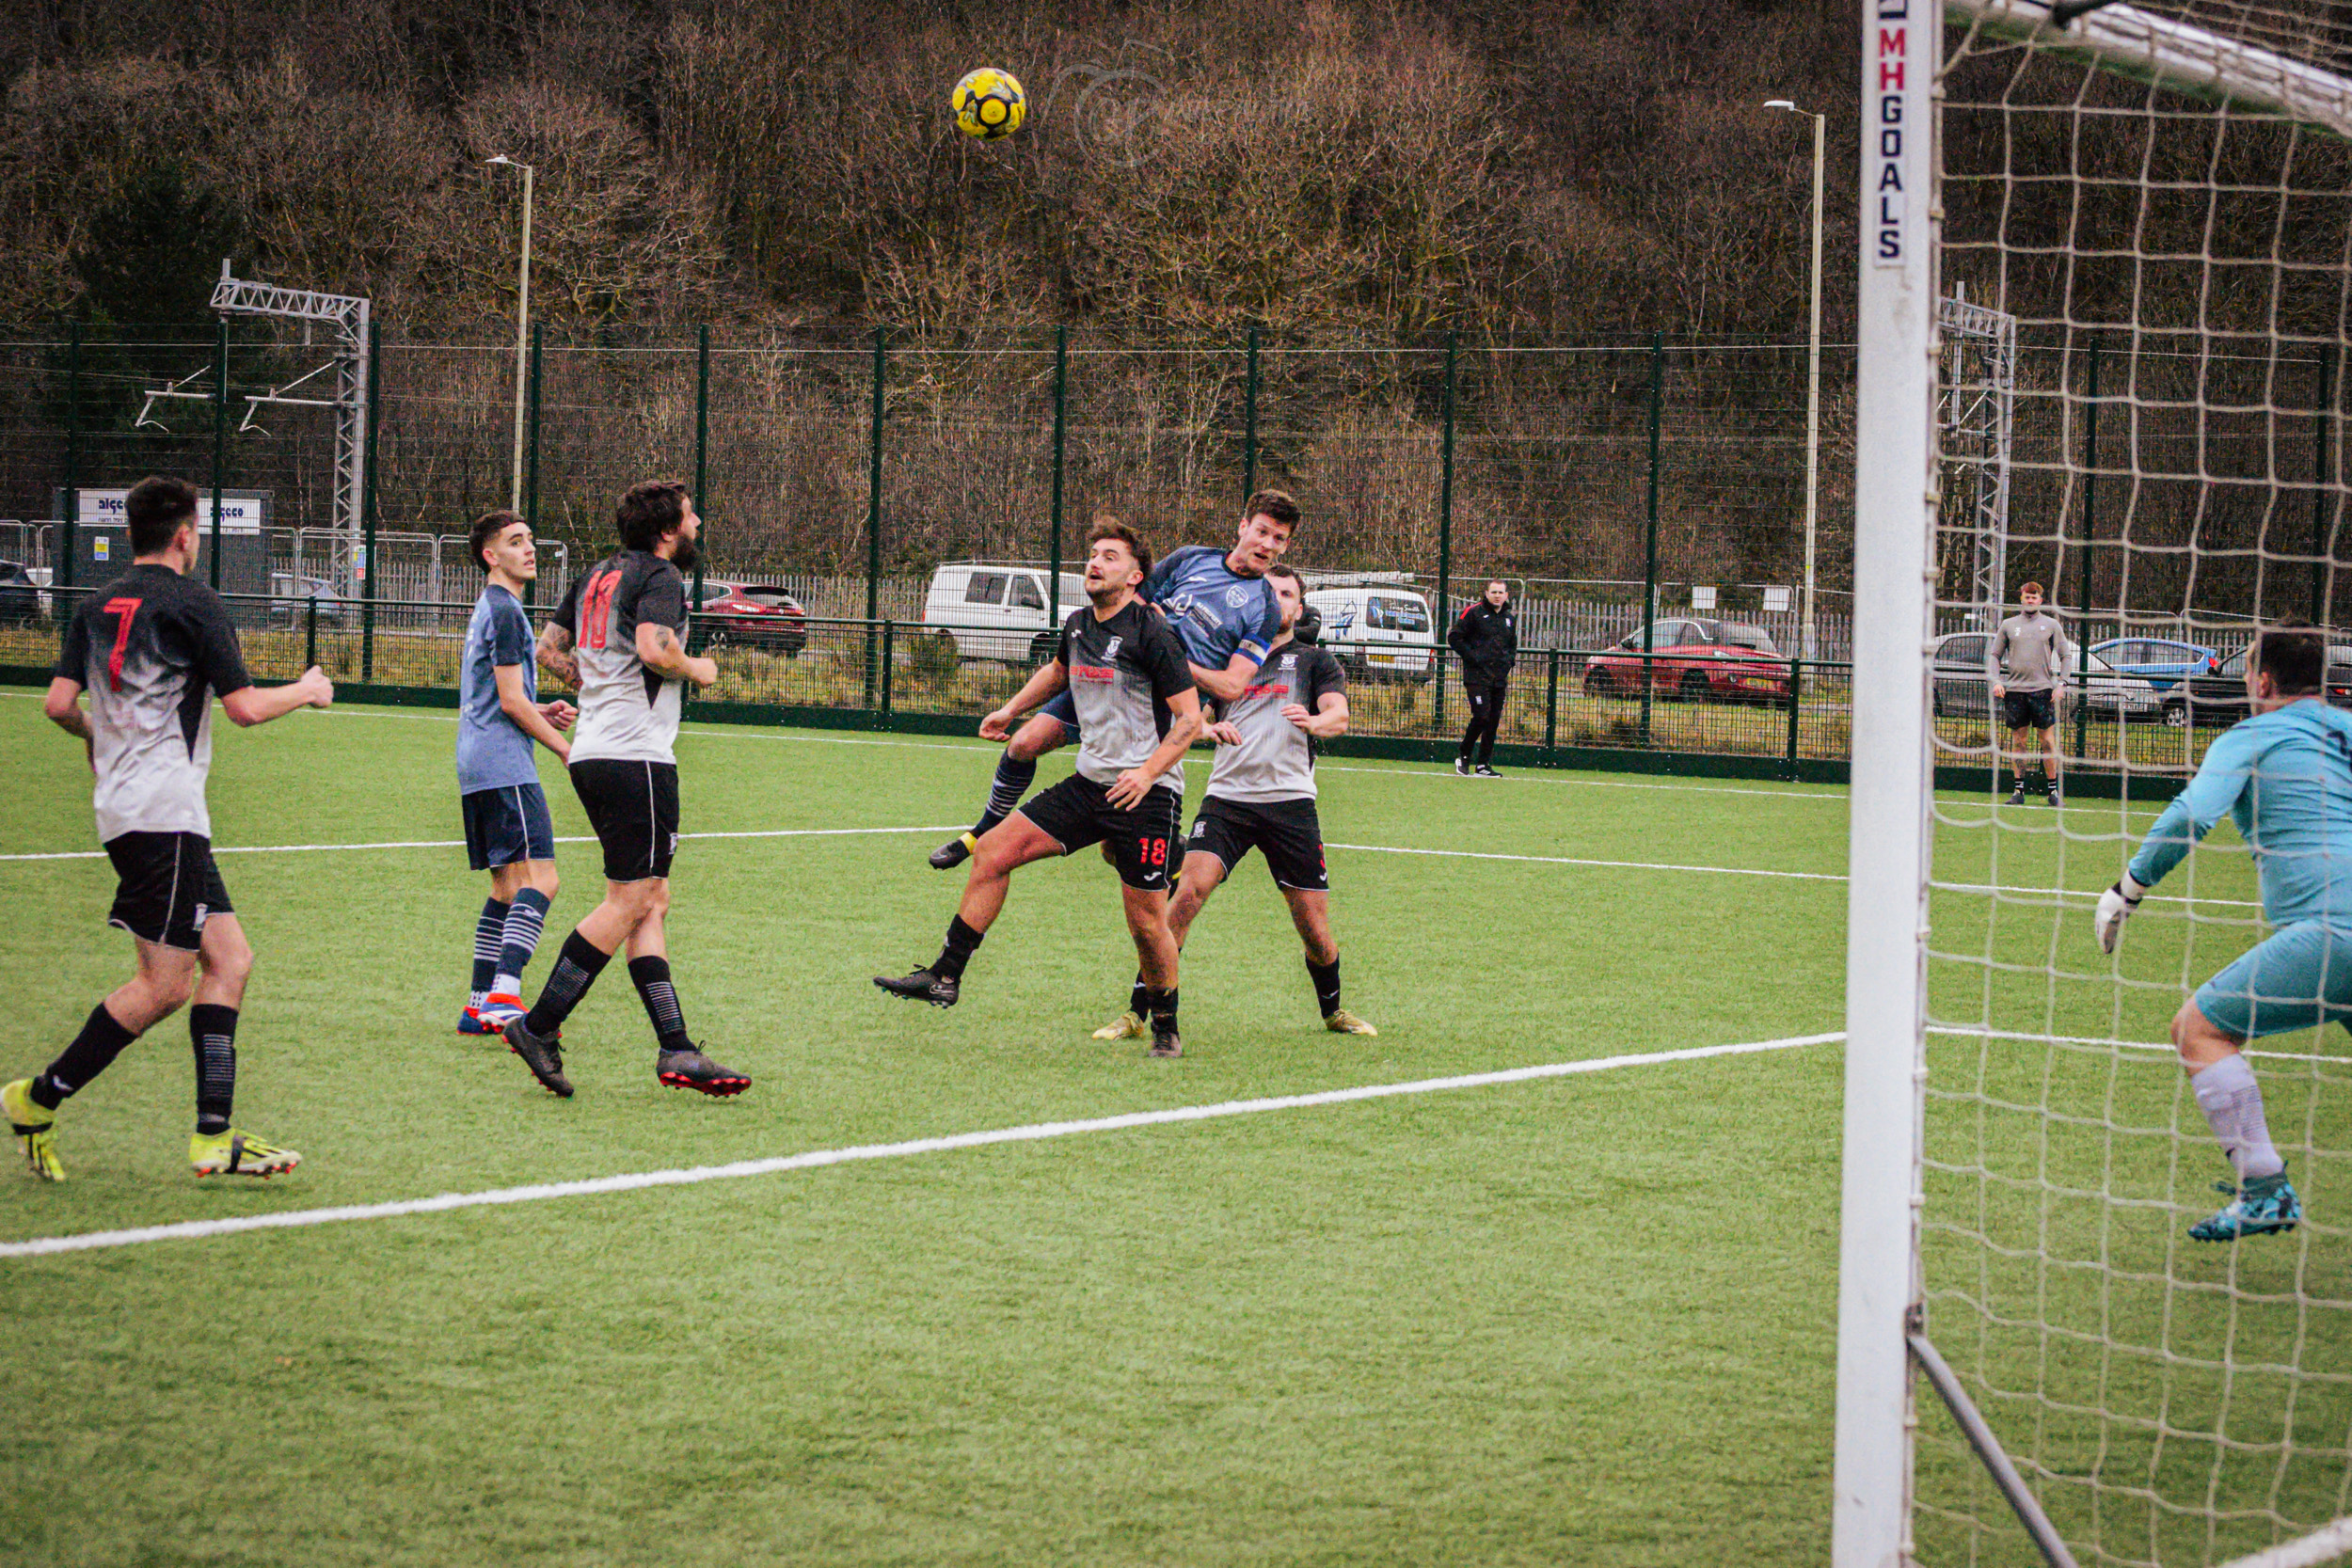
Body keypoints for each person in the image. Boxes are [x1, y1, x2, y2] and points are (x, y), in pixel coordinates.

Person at [5, 476, 332, 1182]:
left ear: (132, 535)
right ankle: (37, 1096)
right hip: (164, 816)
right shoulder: (194, 602)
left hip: (133, 812)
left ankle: (214, 1136)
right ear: (186, 534)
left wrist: (101, 740)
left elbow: (59, 703)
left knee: (231, 959)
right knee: (164, 984)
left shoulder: (95, 605)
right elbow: (242, 708)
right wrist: (307, 690)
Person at [880, 519, 1205, 1057]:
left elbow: (1189, 721)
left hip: (1147, 797)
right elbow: (1058, 673)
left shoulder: (1154, 631)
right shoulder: (1078, 624)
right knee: (993, 853)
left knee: (1147, 924)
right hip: (1089, 784)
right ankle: (945, 975)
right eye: (1092, 554)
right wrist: (1011, 708)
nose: (1095, 563)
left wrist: (1147, 773)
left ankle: (1167, 1028)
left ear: (1135, 575)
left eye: (1110, 556)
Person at [2092, 621, 2347, 1242]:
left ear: (2261, 680)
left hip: (2333, 933)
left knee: (2198, 1029)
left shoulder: (2252, 735)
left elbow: (2192, 814)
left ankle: (2264, 1190)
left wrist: (2128, 888)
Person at [497, 480, 750, 1100]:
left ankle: (677, 1046)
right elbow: (655, 648)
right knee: (629, 900)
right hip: (636, 755)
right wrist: (699, 669)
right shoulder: (661, 577)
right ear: (668, 530)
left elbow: (548, 648)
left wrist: (596, 683)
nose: (698, 524)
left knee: (650, 898)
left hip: (594, 749)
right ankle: (538, 1025)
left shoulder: (598, 573)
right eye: (691, 516)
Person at [927, 492, 1295, 871]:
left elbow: (1233, 685)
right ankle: (981, 833)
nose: (1267, 545)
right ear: (1242, 527)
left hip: (1162, 706)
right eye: (1262, 531)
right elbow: (1131, 600)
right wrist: (1009, 709)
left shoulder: (1265, 606)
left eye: (1278, 539)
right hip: (1110, 673)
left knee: (1114, 849)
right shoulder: (1192, 558)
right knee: (1023, 743)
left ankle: (1170, 854)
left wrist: (1169, 660)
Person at [1093, 564, 1377, 1041]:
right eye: (1270, 593)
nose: (1278, 601)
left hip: (1291, 805)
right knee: (1184, 899)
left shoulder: (1314, 661)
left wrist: (1315, 720)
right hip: (1227, 801)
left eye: (1288, 594)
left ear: (1300, 607)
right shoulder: (1230, 663)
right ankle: (1137, 1013)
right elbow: (1192, 721)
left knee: (1313, 926)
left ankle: (1333, 1011)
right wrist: (1208, 728)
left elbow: (1339, 715)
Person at [454, 510, 578, 1037]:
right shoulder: (506, 611)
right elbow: (508, 702)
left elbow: (504, 695)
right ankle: (506, 995)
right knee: (542, 880)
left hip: (476, 762)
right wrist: (563, 748)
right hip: (504, 764)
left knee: (506, 886)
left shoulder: (492, 607)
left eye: (529, 540)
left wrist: (539, 710)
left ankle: (479, 1002)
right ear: (490, 555)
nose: (529, 549)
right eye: (515, 541)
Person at [1990, 581, 2071, 806]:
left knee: (2047, 742)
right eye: (2027, 597)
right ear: (2021, 599)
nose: (2030, 601)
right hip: (2015, 692)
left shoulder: (2052, 624)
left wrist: (2062, 684)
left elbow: (2066, 656)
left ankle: (2053, 792)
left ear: (2040, 600)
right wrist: (1997, 681)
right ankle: (2018, 791)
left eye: (2034, 598)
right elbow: (1994, 655)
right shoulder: (2008, 624)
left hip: (2043, 691)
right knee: (2018, 742)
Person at [1448, 579, 1518, 777]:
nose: (1497, 595)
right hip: (1477, 677)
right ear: (1486, 593)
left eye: (1501, 592)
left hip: (1499, 679)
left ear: (1506, 595)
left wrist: (1509, 662)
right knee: (1481, 716)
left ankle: (1483, 765)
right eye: (1493, 591)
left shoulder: (1509, 619)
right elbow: (1454, 637)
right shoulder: (1473, 613)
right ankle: (1464, 756)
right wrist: (1474, 657)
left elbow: (1512, 645)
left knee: (1493, 721)